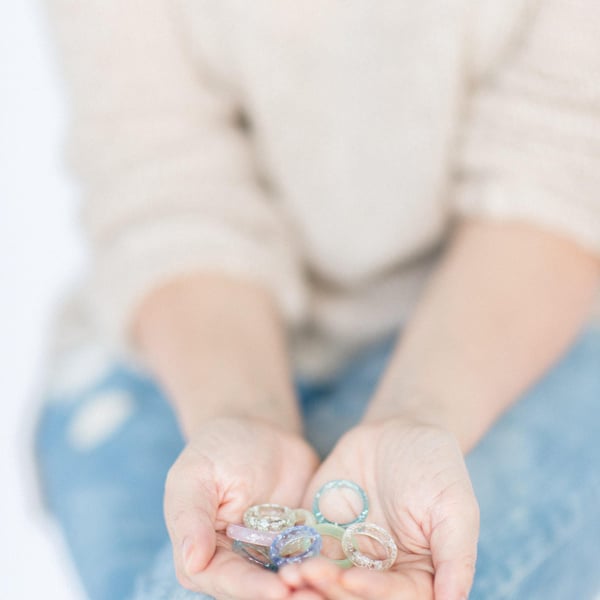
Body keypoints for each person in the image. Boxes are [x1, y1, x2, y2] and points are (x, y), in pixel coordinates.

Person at [35, 1, 600, 599]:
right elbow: (166, 192)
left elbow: (559, 175)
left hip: (502, 332)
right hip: (179, 356)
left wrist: (416, 415)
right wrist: (244, 416)